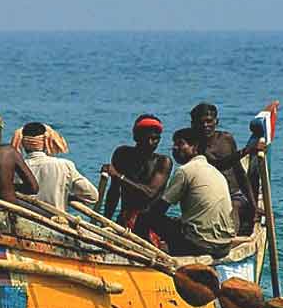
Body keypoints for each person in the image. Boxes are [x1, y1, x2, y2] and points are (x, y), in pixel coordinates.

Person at [144, 128, 236, 258]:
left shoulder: (185, 171)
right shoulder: (214, 171)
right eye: (174, 144)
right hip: (224, 246)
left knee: (148, 217)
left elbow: (160, 208)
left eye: (180, 144)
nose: (175, 148)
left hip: (200, 245)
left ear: (195, 147)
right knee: (175, 222)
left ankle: (144, 250)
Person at [190, 103, 260, 235]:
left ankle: (230, 238)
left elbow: (239, 172)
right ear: (193, 124)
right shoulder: (195, 147)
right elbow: (220, 164)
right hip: (209, 197)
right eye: (201, 122)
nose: (205, 126)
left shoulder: (226, 139)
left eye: (209, 121)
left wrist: (254, 205)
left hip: (234, 194)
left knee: (233, 206)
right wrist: (246, 151)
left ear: (216, 121)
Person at [103, 114, 173, 245]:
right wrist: (105, 222)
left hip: (150, 226)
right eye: (146, 138)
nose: (151, 143)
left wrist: (119, 176)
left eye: (155, 139)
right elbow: (113, 193)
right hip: (125, 221)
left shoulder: (163, 162)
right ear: (136, 137)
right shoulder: (122, 154)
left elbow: (150, 192)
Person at [12, 122, 97, 211]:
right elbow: (92, 196)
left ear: (23, 144)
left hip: (25, 219)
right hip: (56, 219)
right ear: (46, 142)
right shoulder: (64, 165)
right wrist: (67, 197)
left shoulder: (14, 168)